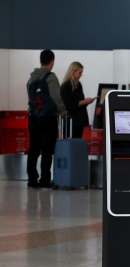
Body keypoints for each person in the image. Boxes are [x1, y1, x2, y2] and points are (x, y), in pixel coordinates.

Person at [26, 49, 66, 188]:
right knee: (47, 149)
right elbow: (56, 97)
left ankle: (31, 179)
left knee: (34, 148)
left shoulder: (31, 77)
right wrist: (62, 110)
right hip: (48, 118)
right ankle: (44, 180)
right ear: (52, 62)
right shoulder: (51, 77)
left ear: (40, 61)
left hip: (33, 117)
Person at [60, 62, 95, 138]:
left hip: (79, 120)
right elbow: (68, 105)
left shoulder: (78, 84)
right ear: (73, 71)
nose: (81, 75)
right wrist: (84, 101)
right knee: (71, 143)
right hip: (71, 120)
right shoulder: (65, 86)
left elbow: (79, 101)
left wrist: (87, 102)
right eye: (80, 73)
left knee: (78, 142)